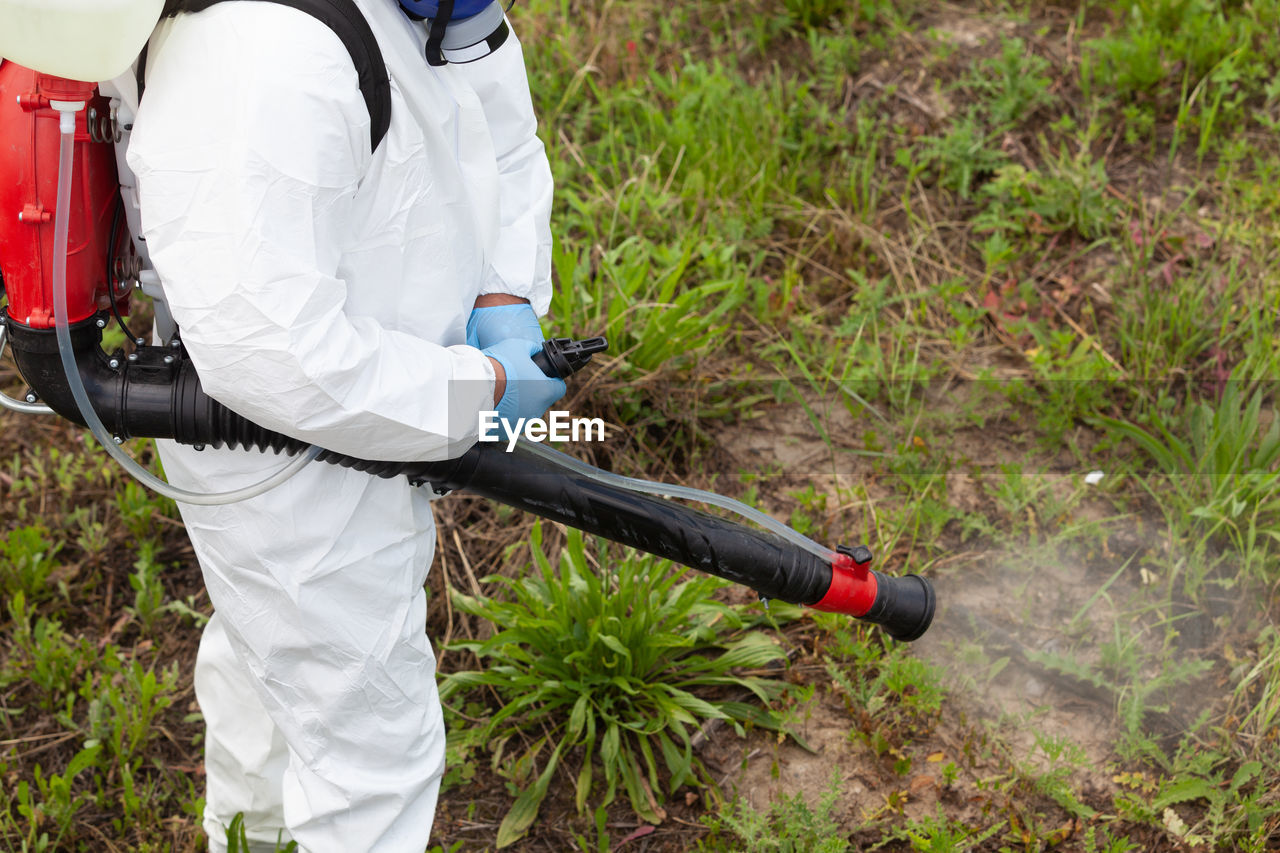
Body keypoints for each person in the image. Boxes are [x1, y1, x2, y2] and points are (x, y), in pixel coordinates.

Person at [123, 0, 566, 849]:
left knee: (273, 666)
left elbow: (491, 124)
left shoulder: (426, 8)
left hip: (368, 419)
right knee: (370, 751)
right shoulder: (265, 59)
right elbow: (271, 354)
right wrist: (469, 391)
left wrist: (505, 288)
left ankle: (251, 838)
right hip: (289, 457)